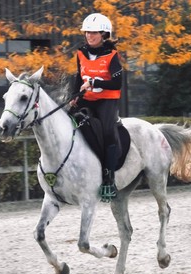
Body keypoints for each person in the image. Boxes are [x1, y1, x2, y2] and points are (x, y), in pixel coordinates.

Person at [70, 13, 123, 202]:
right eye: (87, 33)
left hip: (106, 100)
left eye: (94, 33)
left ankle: (108, 178)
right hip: (87, 98)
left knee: (108, 131)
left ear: (103, 34)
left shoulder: (112, 55)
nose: (89, 36)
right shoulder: (80, 53)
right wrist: (74, 97)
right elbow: (79, 77)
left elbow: (117, 84)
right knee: (67, 121)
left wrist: (94, 81)